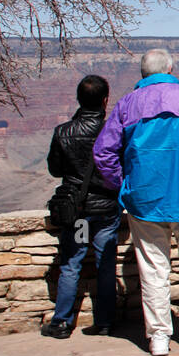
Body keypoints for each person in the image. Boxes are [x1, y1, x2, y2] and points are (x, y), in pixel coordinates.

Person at [92, 48, 179, 356]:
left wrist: (123, 186)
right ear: (170, 68)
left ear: (143, 74)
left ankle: (158, 337)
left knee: (152, 270)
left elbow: (103, 153)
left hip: (144, 200)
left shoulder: (126, 104)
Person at [44, 75, 121, 338]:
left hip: (78, 214)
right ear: (105, 100)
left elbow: (55, 170)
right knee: (106, 264)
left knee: (72, 262)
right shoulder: (113, 130)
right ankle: (106, 322)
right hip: (106, 210)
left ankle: (62, 323)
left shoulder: (64, 132)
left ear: (78, 99)